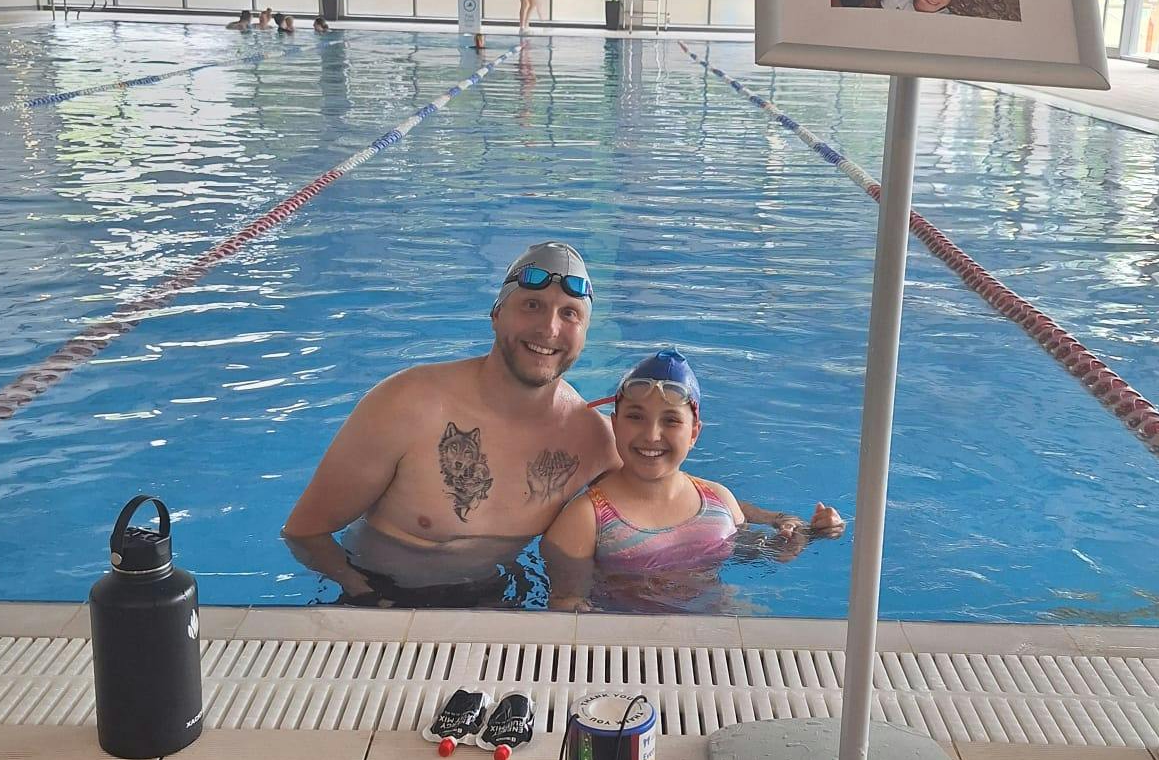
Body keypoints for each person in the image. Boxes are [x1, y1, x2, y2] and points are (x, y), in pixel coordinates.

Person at [282, 241, 616, 607]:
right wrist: (366, 597)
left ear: (584, 334)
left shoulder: (595, 441)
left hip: (498, 596)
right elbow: (305, 532)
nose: (549, 329)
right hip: (377, 593)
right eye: (532, 306)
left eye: (569, 314)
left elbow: (658, 513)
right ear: (496, 315)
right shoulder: (409, 404)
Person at [543, 350, 845, 613]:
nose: (651, 435)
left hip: (715, 626)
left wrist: (811, 532)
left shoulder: (719, 502)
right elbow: (568, 607)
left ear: (694, 433)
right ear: (614, 425)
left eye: (671, 421)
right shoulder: (586, 519)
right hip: (628, 650)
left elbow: (770, 552)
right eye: (636, 417)